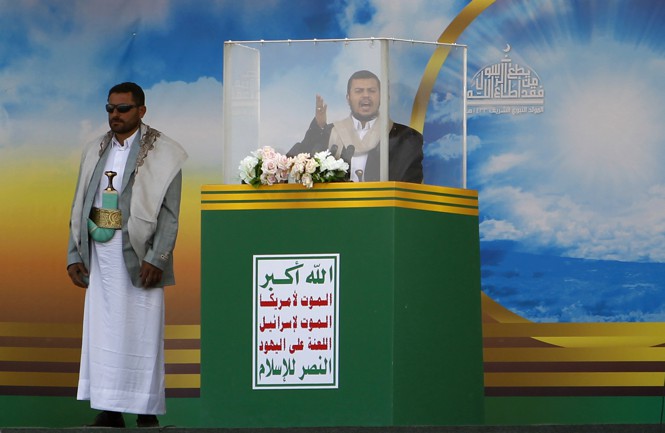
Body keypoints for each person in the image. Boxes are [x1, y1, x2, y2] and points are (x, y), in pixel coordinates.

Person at [66, 82, 187, 428]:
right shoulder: (95, 149)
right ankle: (110, 409)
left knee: (142, 333)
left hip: (139, 256)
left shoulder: (166, 153)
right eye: (110, 109)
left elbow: (169, 214)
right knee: (104, 333)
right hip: (100, 255)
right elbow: (79, 204)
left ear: (141, 111)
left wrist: (158, 258)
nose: (114, 115)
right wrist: (74, 253)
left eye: (122, 109)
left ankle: (145, 411)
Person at [287, 70, 423, 183]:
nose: (366, 95)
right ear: (348, 98)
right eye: (359, 91)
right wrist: (318, 126)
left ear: (381, 96)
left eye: (371, 91)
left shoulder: (405, 138)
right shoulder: (330, 132)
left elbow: (410, 181)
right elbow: (299, 159)